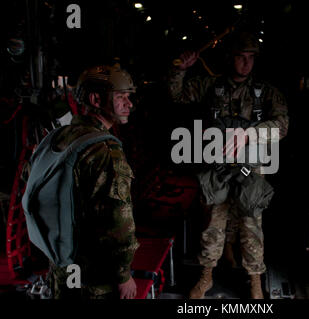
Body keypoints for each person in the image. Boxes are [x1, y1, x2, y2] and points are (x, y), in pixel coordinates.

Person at [168, 31, 289, 299]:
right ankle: (206, 276)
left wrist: (249, 134)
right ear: (228, 58)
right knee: (213, 221)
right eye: (240, 57)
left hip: (250, 167)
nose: (246, 63)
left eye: (250, 58)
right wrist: (180, 69)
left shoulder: (266, 92)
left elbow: (281, 127)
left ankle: (255, 279)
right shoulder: (211, 86)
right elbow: (176, 96)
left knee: (251, 223)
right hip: (217, 166)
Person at [46, 64, 139, 299]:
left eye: (129, 97)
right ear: (96, 99)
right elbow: (119, 222)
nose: (129, 104)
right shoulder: (106, 152)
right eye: (120, 97)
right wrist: (123, 275)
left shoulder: (59, 137)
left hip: (60, 266)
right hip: (95, 278)